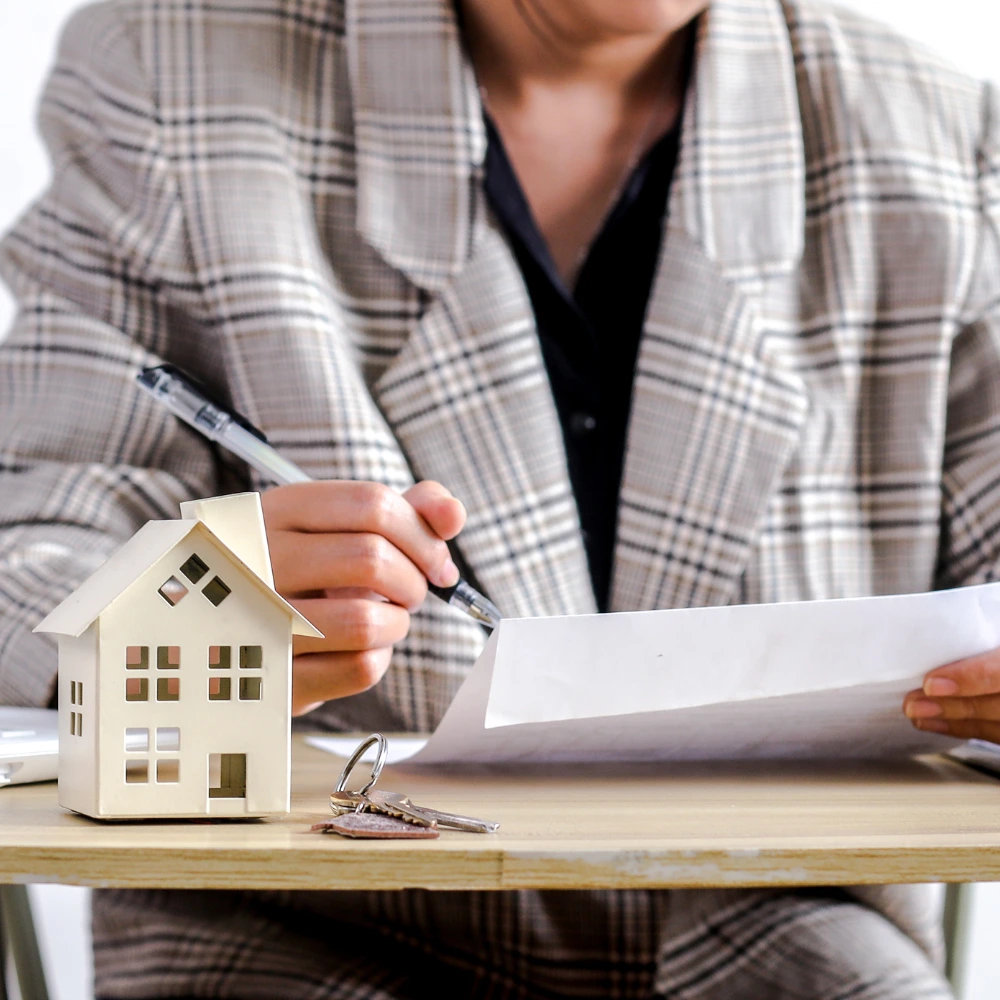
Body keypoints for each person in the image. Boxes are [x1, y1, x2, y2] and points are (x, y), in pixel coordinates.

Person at [2, 0, 1000, 995]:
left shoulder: (940, 134)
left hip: (779, 929)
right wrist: (191, 612)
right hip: (308, 919)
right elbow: (29, 559)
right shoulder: (170, 74)